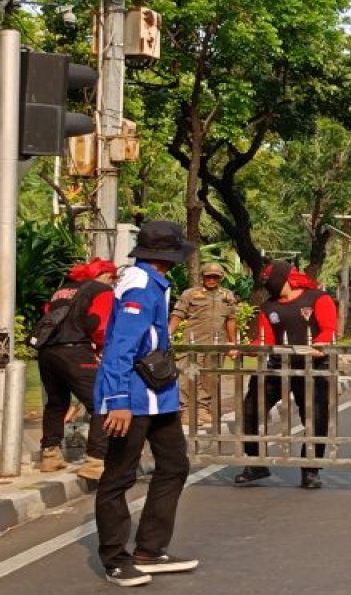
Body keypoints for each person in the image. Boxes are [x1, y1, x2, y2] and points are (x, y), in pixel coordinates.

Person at [94, 221, 199, 587]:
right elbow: (120, 347)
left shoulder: (156, 282)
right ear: (168, 255)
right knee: (118, 476)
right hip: (132, 398)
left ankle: (150, 549)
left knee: (174, 465)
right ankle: (114, 557)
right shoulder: (139, 284)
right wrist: (118, 401)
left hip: (159, 396)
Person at [233, 260, 337, 489]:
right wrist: (244, 348)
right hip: (277, 365)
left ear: (282, 278)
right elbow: (264, 339)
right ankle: (256, 463)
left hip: (313, 367)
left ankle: (310, 470)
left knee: (315, 418)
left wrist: (319, 345)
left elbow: (329, 328)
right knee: (250, 411)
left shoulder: (318, 298)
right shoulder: (269, 307)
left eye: (269, 279)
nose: (266, 283)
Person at [34, 258, 116, 480]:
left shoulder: (61, 290)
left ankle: (50, 455)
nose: (113, 283)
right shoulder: (101, 290)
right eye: (113, 278)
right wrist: (103, 348)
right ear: (106, 275)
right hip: (75, 351)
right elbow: (99, 324)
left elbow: (48, 314)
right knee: (101, 401)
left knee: (56, 403)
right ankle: (95, 461)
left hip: (47, 352)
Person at [169, 262, 239, 427]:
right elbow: (178, 314)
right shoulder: (190, 294)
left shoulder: (227, 296)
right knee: (189, 375)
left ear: (221, 278)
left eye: (215, 277)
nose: (211, 280)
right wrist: (168, 334)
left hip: (216, 344)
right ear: (202, 277)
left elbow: (231, 319)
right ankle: (186, 410)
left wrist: (232, 343)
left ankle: (202, 408)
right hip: (193, 344)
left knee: (210, 377)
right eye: (208, 276)